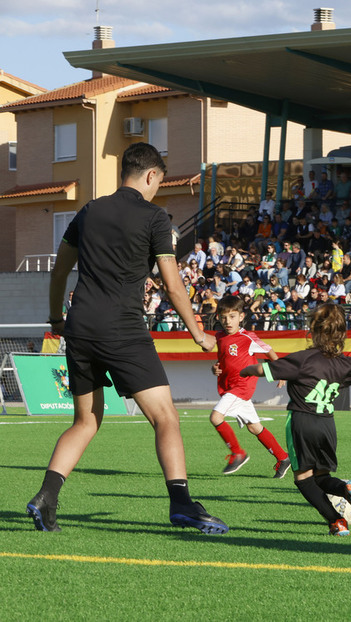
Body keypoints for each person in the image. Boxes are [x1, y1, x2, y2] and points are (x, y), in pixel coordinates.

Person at [28, 143, 227, 534]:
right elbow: (172, 286)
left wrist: (56, 319)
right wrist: (198, 333)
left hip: (80, 326)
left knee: (85, 421)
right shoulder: (155, 218)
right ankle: (182, 503)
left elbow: (58, 272)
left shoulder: (88, 211)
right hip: (122, 328)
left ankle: (46, 496)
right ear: (152, 175)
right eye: (159, 182)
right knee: (165, 416)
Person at [242, 304, 351, 535]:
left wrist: (243, 371)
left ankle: (336, 521)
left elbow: (262, 370)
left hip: (302, 421)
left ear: (313, 330)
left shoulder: (303, 359)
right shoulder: (345, 364)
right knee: (321, 476)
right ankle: (345, 489)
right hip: (327, 425)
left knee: (303, 479)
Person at [208, 295, 291, 478]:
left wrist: (281, 372)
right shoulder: (220, 337)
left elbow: (268, 350)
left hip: (241, 388)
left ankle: (238, 453)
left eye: (232, 316)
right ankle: (283, 457)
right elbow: (224, 361)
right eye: (223, 317)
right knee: (254, 427)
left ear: (241, 317)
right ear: (218, 318)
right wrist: (215, 369)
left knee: (215, 417)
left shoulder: (248, 337)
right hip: (230, 387)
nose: (227, 321)